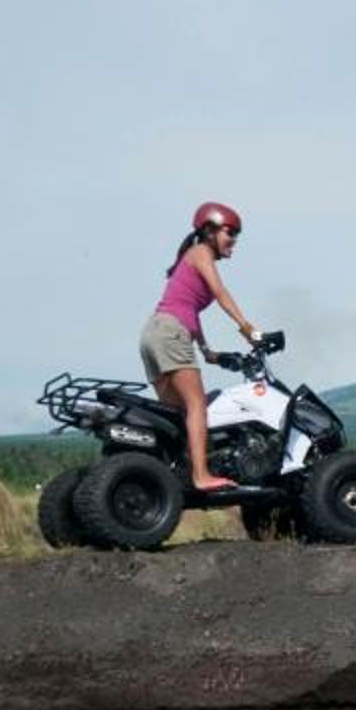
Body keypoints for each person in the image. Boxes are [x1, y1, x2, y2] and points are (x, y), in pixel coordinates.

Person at [141, 201, 264, 492]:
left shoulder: (191, 257)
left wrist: (207, 351)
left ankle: (175, 474)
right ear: (209, 231)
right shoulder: (201, 252)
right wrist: (247, 327)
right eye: (230, 232)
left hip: (153, 334)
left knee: (176, 414)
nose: (234, 240)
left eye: (236, 235)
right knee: (197, 406)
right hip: (171, 332)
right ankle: (201, 475)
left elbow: (190, 311)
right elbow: (220, 292)